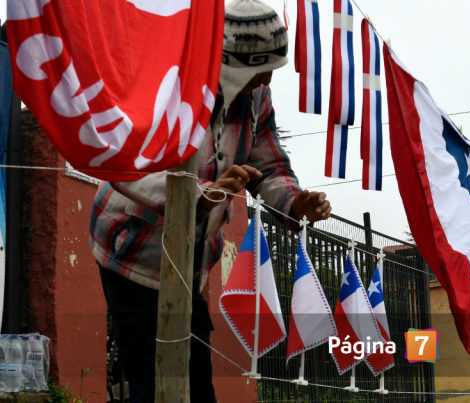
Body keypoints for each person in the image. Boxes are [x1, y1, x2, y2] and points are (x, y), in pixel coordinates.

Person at [89, 1, 331, 402]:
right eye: (261, 68)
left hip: (192, 263)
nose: (268, 78)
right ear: (234, 63)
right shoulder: (167, 81)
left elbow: (269, 166)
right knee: (153, 384)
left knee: (197, 387)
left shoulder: (257, 97)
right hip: (133, 250)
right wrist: (202, 195)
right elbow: (128, 162)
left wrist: (294, 203)